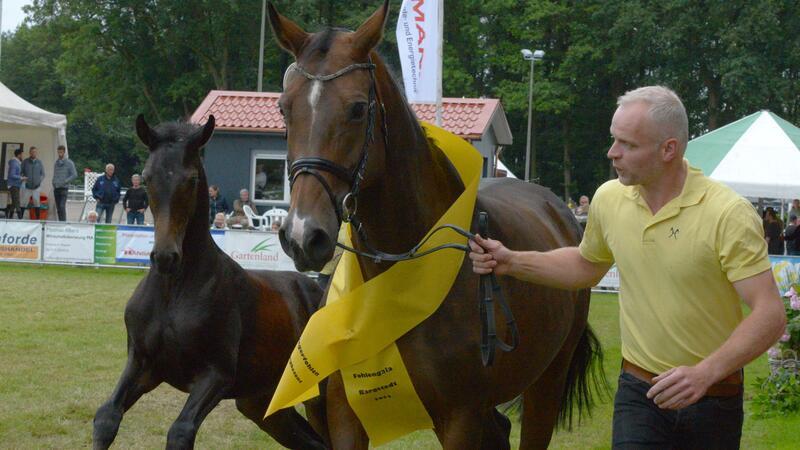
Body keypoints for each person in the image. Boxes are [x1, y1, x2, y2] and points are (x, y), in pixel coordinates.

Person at [470, 86, 785, 449]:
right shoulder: (609, 198)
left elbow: (770, 314)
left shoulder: (727, 213)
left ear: (669, 149)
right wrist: (512, 260)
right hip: (638, 393)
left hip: (713, 398)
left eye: (628, 144)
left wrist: (704, 373)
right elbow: (587, 264)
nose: (612, 152)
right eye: (613, 139)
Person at [52, 145, 77, 221]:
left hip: (64, 188)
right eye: (58, 152)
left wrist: (65, 181)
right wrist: (53, 181)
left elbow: (74, 175)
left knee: (62, 206)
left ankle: (63, 222)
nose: (59, 153)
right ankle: (60, 222)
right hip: (56, 188)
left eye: (61, 152)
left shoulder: (69, 163)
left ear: (64, 152)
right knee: (58, 208)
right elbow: (55, 174)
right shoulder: (56, 163)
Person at [20, 146, 45, 220]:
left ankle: (37, 220)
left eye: (35, 152)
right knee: (23, 203)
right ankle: (20, 219)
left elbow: (43, 174)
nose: (33, 153)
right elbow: (20, 172)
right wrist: (23, 178)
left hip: (36, 187)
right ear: (29, 153)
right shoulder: (25, 162)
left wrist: (39, 181)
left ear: (36, 153)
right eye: (32, 152)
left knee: (37, 203)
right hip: (27, 186)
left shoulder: (39, 162)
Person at [5, 148, 24, 219]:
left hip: (16, 184)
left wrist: (21, 177)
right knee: (17, 200)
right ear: (19, 155)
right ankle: (20, 217)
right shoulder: (14, 163)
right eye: (22, 154)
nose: (22, 156)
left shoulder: (17, 162)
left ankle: (10, 217)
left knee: (14, 201)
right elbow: (12, 175)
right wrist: (21, 178)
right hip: (13, 185)